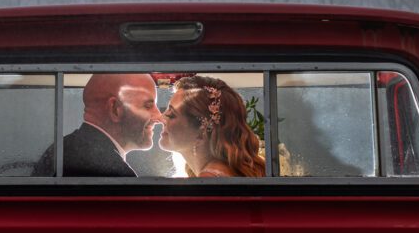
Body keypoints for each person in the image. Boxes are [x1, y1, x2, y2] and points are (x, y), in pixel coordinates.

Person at [32, 73, 162, 177]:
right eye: (148, 106)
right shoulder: (115, 175)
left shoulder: (61, 149)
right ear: (115, 109)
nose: (159, 117)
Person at [159, 75, 266, 177]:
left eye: (171, 114)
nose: (162, 118)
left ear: (201, 133)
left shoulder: (207, 180)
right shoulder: (222, 171)